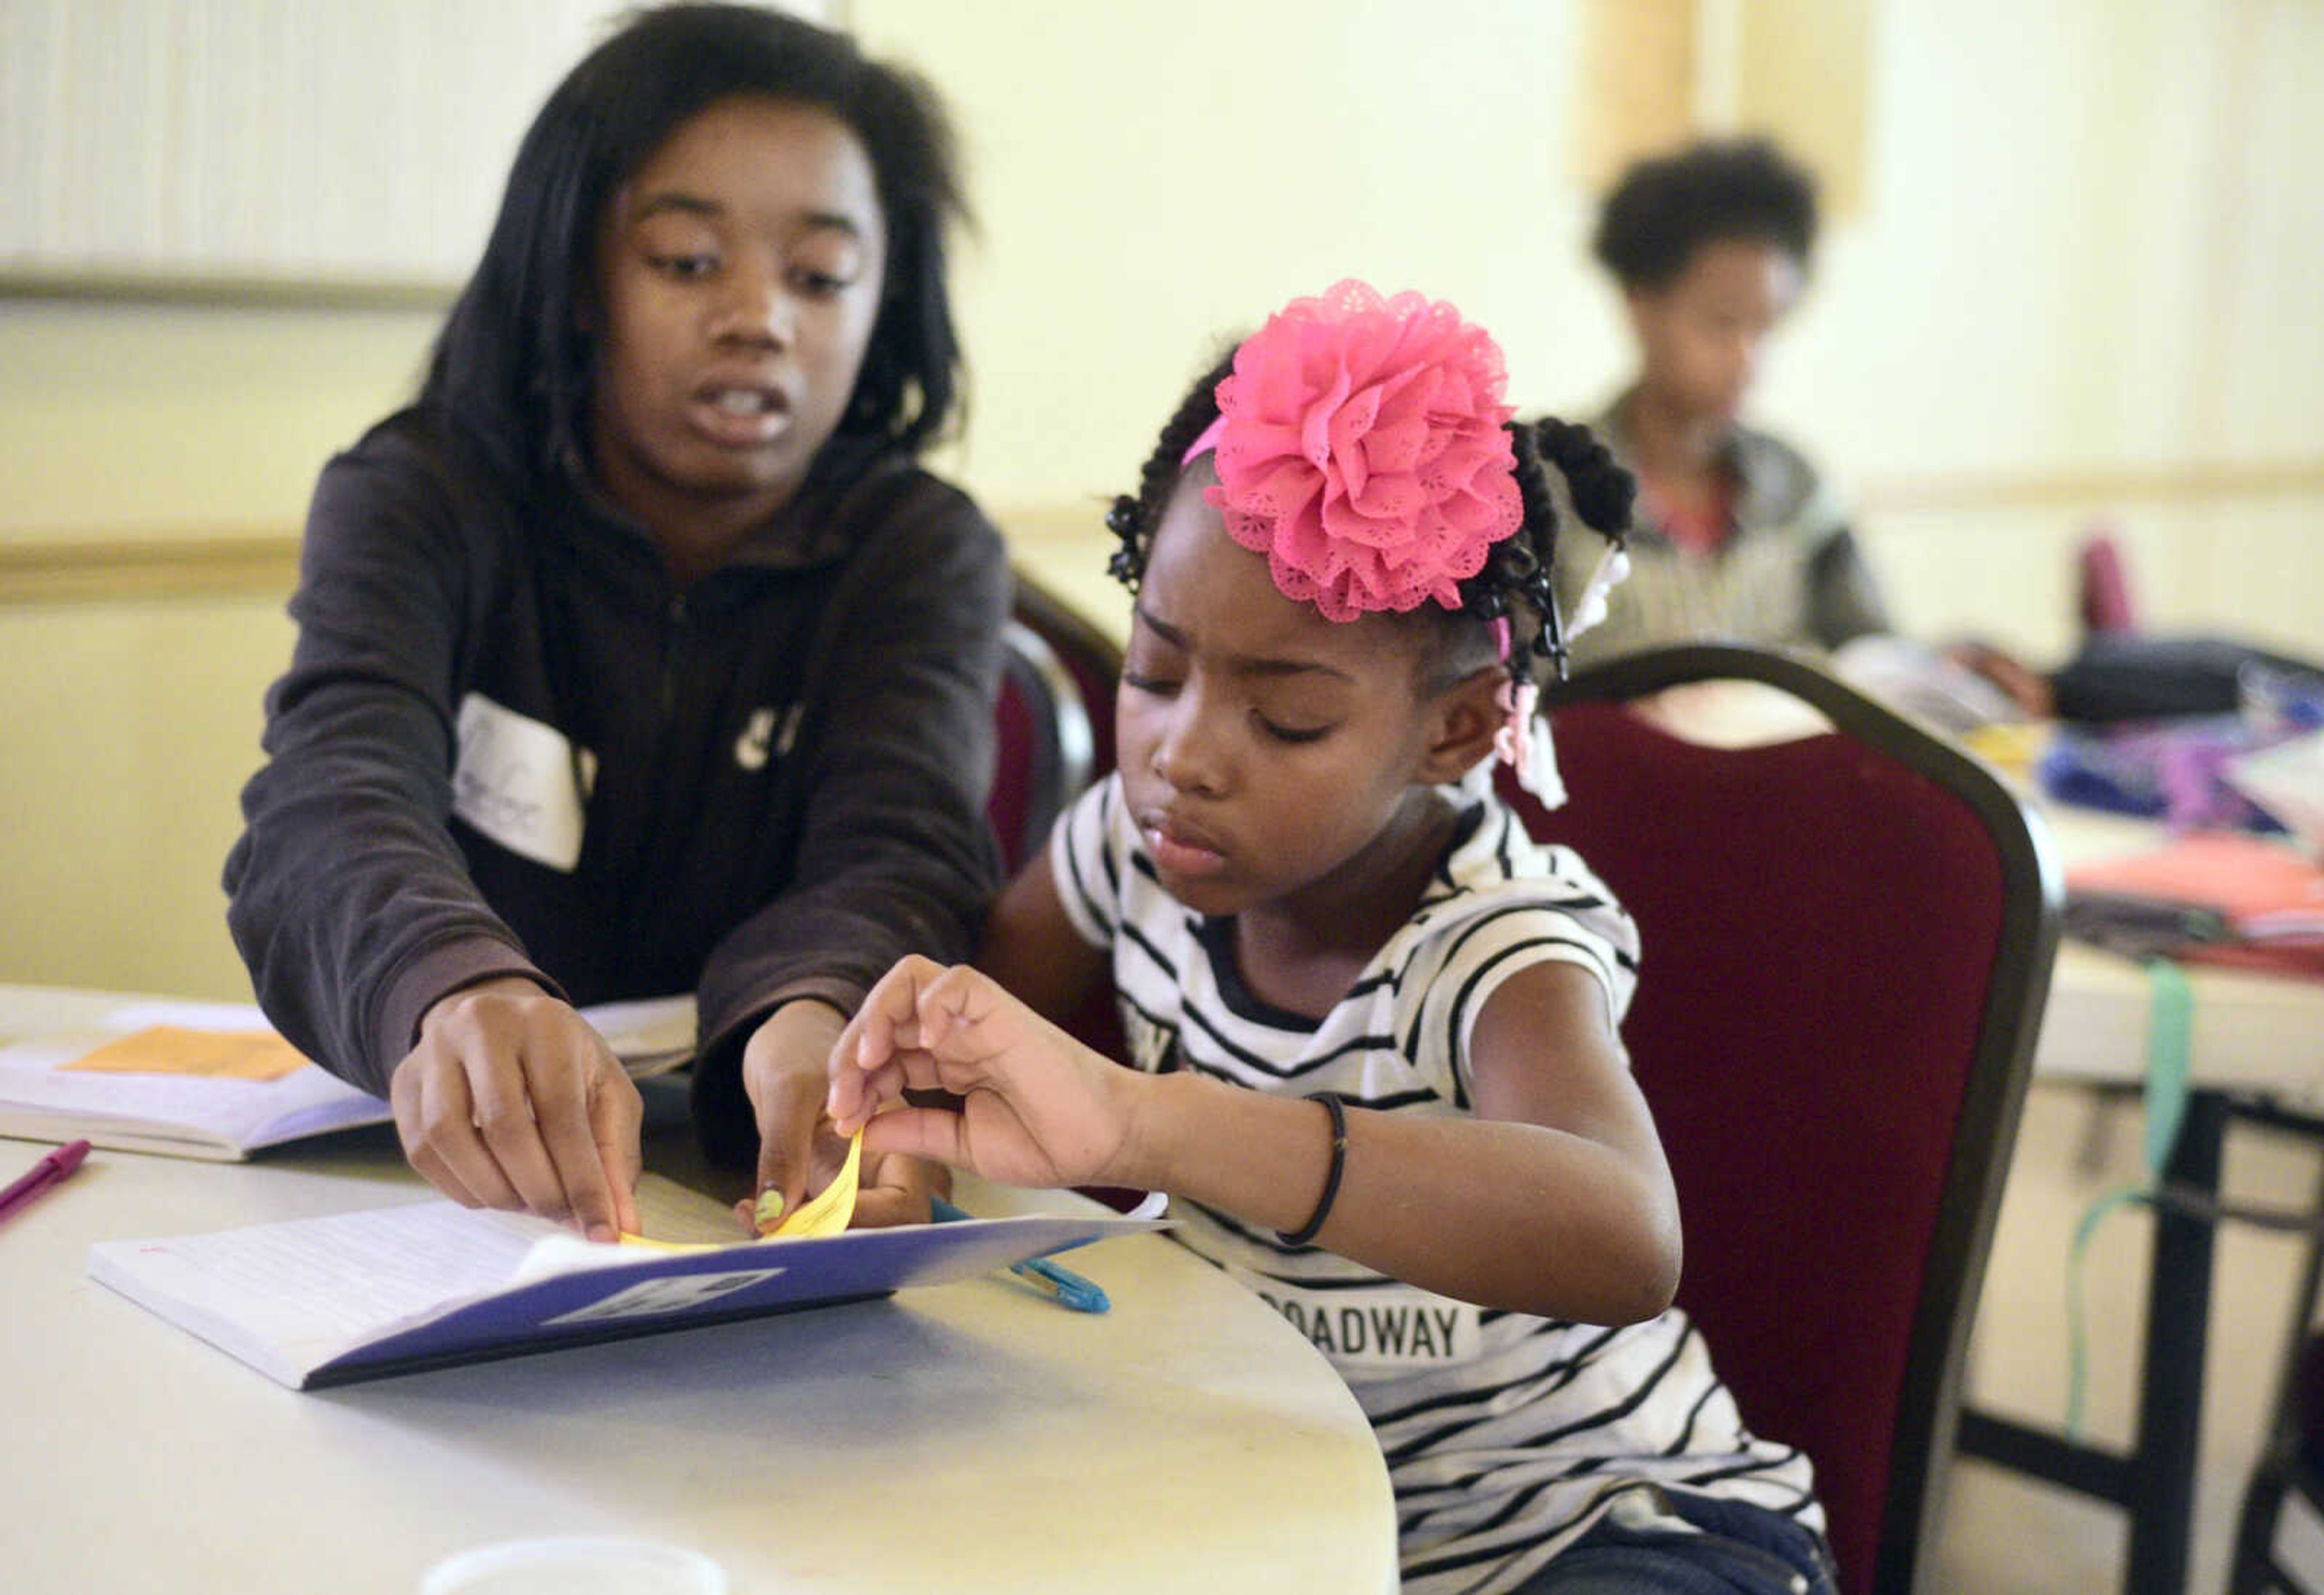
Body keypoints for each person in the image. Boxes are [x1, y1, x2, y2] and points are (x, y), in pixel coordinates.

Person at [825, 281, 1833, 1595]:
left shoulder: (1493, 940)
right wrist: (901, 1158)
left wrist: (1144, 1123)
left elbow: (1628, 1235)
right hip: (1299, 1523)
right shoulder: (1125, 849)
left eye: (1286, 717)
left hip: (1606, 1531)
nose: (1182, 755)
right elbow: (960, 1043)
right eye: (1156, 670)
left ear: (1458, 731)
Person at [225, 3, 1007, 1243]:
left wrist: (823, 1013)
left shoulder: (919, 551)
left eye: (821, 275)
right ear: (579, 277)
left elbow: (902, 848)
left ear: (884, 302)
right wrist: (450, 984)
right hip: (446, 1177)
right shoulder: (423, 493)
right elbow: (331, 793)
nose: (760, 316)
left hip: (749, 1179)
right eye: (689, 260)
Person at [1568, 136, 2051, 717]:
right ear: (1640, 306)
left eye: (1765, 328)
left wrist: (1950, 665)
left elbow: (1871, 649)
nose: (1748, 360)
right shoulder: (1557, 488)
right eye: (1721, 325)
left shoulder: (1794, 488)